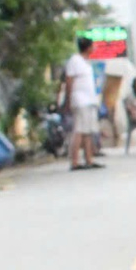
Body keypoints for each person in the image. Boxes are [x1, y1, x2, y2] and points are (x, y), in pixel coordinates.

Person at [59, 37, 103, 171]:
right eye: (92, 46)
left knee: (88, 131)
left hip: (90, 100)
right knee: (79, 130)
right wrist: (68, 99)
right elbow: (69, 80)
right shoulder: (75, 60)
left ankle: (89, 159)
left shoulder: (86, 62)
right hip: (80, 100)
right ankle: (74, 161)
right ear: (88, 47)